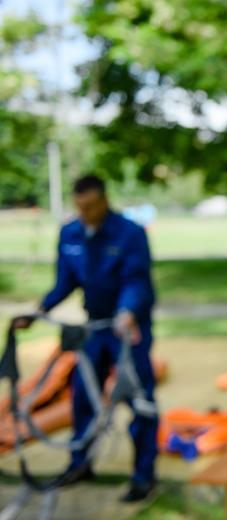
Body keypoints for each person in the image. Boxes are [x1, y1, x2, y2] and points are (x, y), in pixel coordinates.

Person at [12, 175, 158, 502]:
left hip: (128, 329)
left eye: (90, 206)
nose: (85, 213)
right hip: (93, 328)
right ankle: (80, 464)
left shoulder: (130, 233)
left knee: (140, 401)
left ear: (104, 201)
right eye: (80, 207)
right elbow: (64, 282)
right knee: (82, 397)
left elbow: (136, 281)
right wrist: (38, 311)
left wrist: (127, 311)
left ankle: (144, 475)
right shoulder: (70, 233)